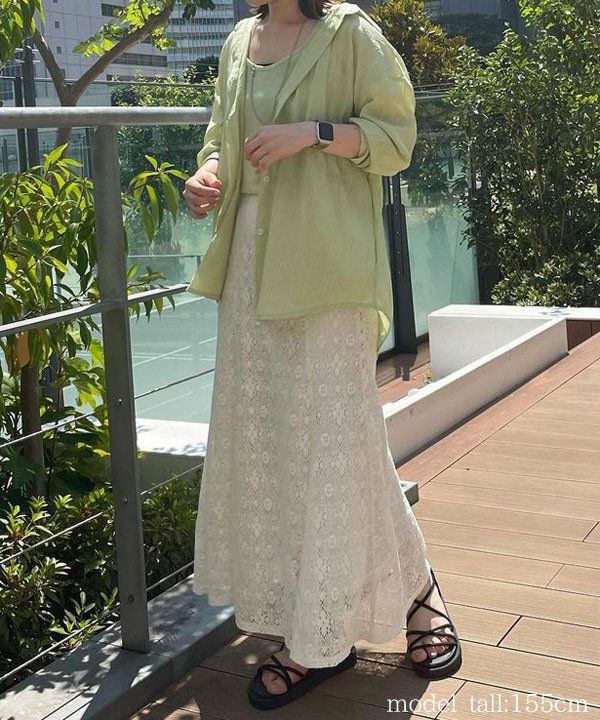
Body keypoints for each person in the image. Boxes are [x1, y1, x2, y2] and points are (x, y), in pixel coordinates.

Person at [183, 0, 462, 710]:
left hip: (328, 265)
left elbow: (396, 140)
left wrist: (312, 134)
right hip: (250, 268)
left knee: (339, 438)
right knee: (275, 445)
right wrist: (208, 176)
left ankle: (362, 618)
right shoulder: (240, 40)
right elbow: (220, 137)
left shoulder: (351, 33)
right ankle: (332, 619)